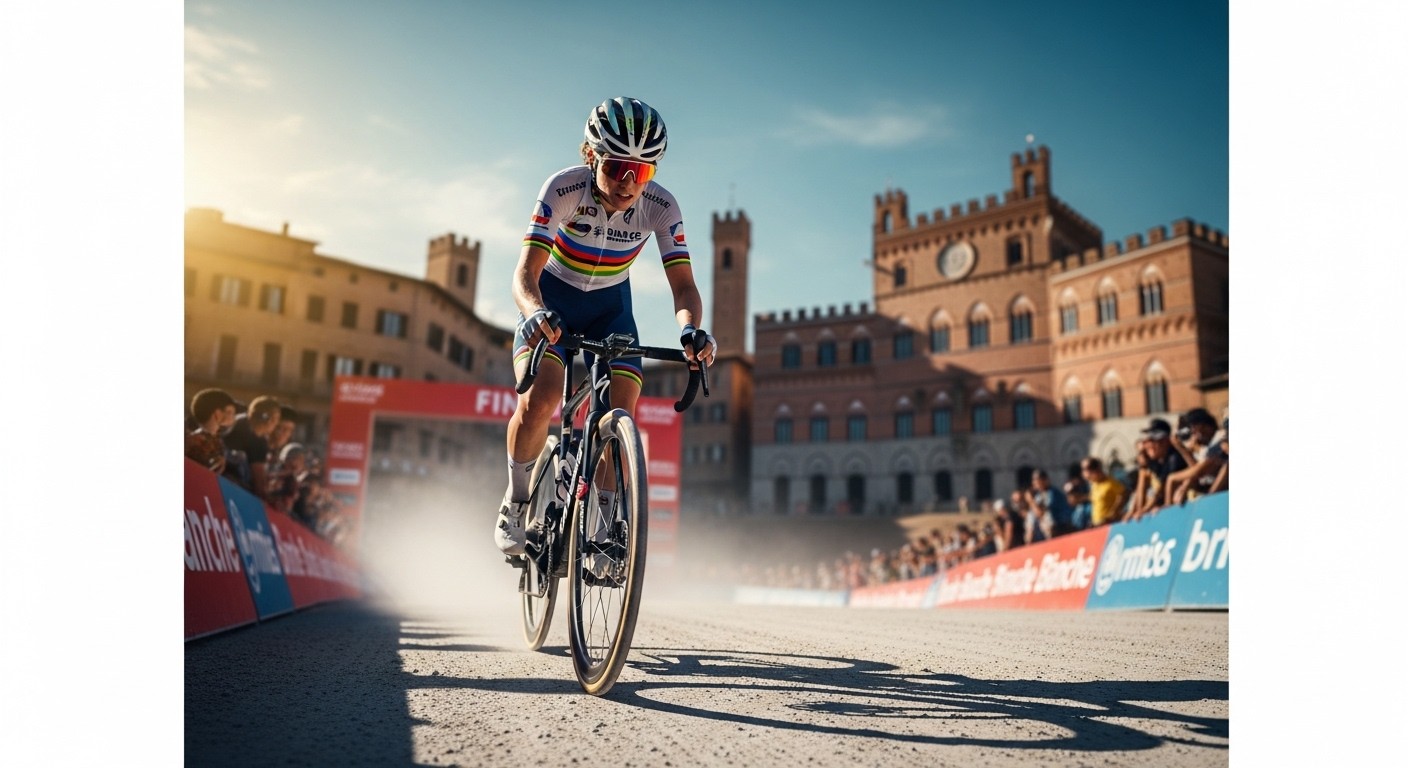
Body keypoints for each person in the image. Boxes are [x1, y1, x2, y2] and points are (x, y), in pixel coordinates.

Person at [493, 97, 717, 556]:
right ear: (592, 156)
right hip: (552, 300)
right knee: (543, 398)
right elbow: (523, 274)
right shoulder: (562, 188)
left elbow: (684, 286)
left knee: (620, 411)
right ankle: (515, 501)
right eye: (618, 168)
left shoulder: (661, 206)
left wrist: (692, 329)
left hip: (611, 308)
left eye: (643, 171)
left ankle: (606, 528)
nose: (629, 183)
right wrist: (534, 311)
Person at [223, 395, 283, 500]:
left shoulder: (236, 421)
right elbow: (259, 481)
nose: (276, 424)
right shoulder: (257, 440)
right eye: (276, 419)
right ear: (268, 419)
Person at [186, 388, 238, 474]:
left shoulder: (214, 439)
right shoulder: (198, 441)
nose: (233, 417)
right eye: (230, 412)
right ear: (218, 414)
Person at [1082, 456, 1128, 527]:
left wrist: (1114, 512)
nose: (1088, 477)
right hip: (1097, 524)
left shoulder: (1110, 482)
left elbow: (1124, 494)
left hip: (1109, 524)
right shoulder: (1094, 485)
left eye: (1086, 470)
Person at [1028, 468, 1074, 537]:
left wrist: (1030, 500)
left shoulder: (1053, 493)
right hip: (1046, 531)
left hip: (1060, 528)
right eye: (1033, 480)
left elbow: (1041, 512)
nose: (1034, 483)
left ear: (1045, 480)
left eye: (1037, 480)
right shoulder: (1038, 496)